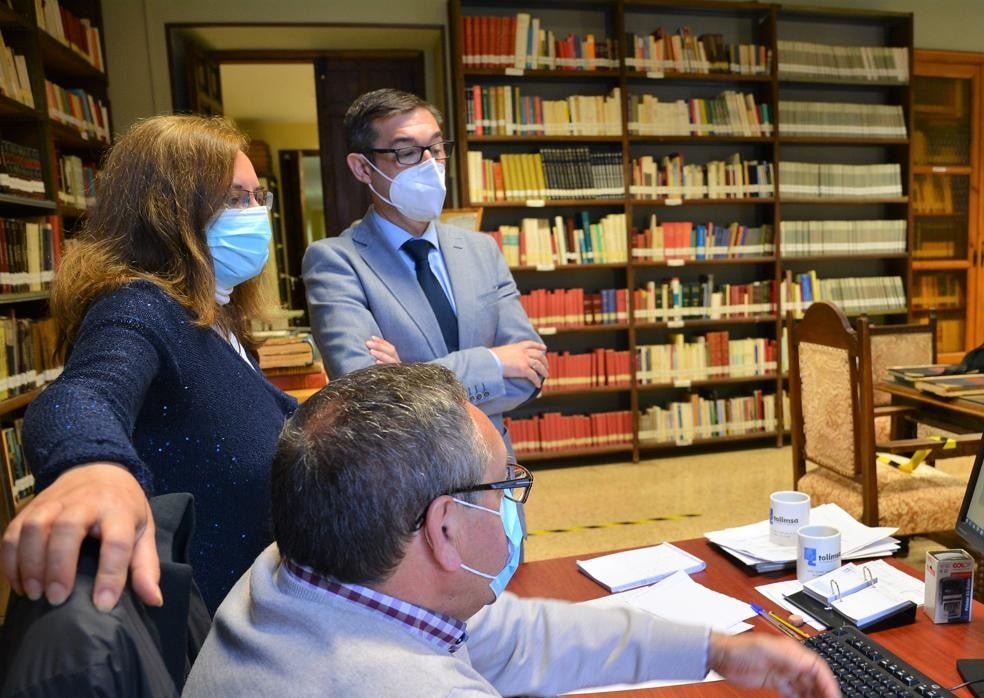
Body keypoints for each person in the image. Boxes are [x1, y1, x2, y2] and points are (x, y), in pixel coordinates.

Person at [184, 363, 841, 697]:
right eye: (503, 489)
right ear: (443, 528)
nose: (513, 508)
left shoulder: (299, 564)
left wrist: (716, 651)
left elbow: (520, 637)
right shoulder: (409, 687)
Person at [0, 115, 297, 613]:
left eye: (256, 197)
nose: (253, 213)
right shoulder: (139, 306)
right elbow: (84, 393)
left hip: (257, 599)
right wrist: (91, 465)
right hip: (205, 631)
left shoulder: (216, 311)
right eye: (232, 199)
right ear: (168, 213)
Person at [302, 88, 546, 454]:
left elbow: (530, 374)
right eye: (406, 152)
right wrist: (493, 362)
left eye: (435, 147)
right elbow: (368, 396)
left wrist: (406, 375)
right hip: (411, 477)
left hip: (497, 469)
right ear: (362, 168)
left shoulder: (482, 249)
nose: (430, 164)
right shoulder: (335, 262)